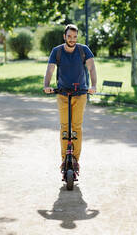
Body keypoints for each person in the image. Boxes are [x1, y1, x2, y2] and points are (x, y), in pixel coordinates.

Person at [43, 24, 97, 175]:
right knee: (65, 127)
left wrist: (93, 85)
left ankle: (75, 161)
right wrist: (46, 85)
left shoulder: (83, 50)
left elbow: (92, 68)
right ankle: (64, 160)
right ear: (64, 36)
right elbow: (50, 69)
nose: (72, 39)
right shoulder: (57, 51)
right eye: (69, 36)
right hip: (62, 93)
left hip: (80, 93)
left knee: (77, 127)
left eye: (74, 37)